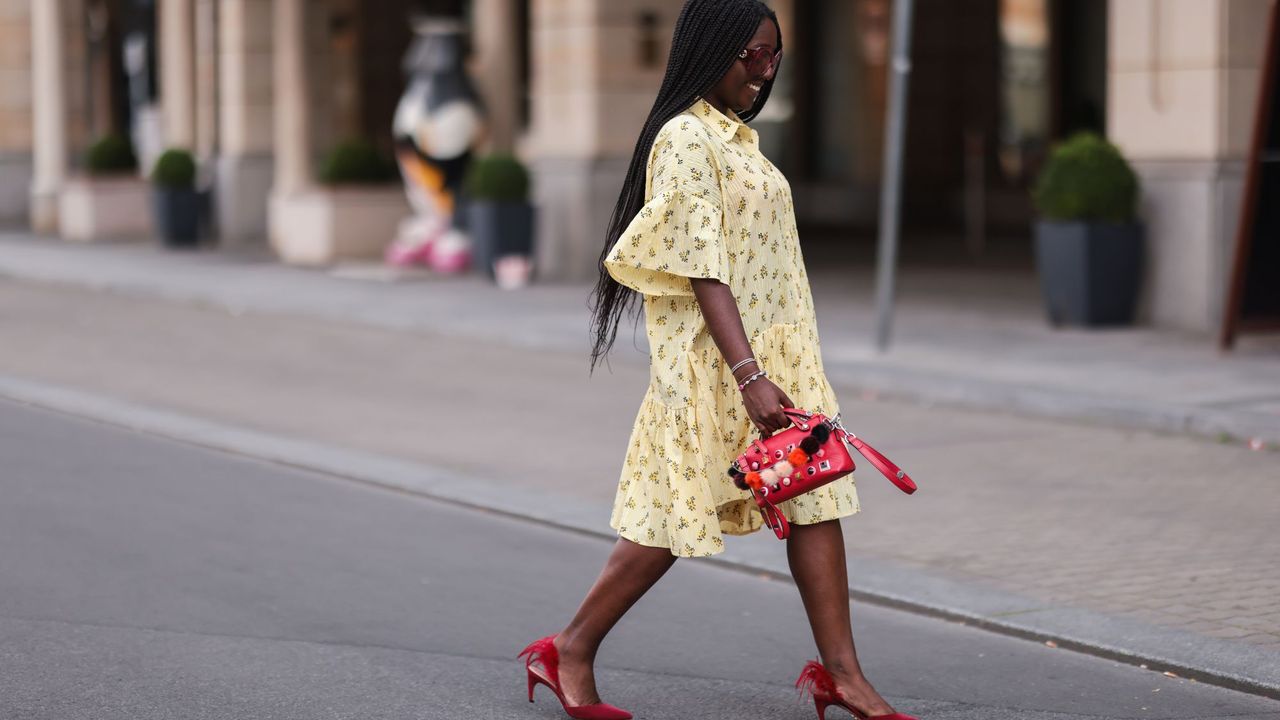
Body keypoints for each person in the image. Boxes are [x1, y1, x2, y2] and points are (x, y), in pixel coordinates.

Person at [519, 1, 917, 718]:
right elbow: (704, 266)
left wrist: (780, 369)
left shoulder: (739, 140)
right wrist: (749, 376)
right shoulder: (684, 139)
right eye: (752, 55)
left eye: (775, 55)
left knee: (817, 498)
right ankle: (568, 649)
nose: (765, 70)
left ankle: (843, 676)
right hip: (715, 370)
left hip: (776, 361)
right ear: (713, 51)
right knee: (672, 521)